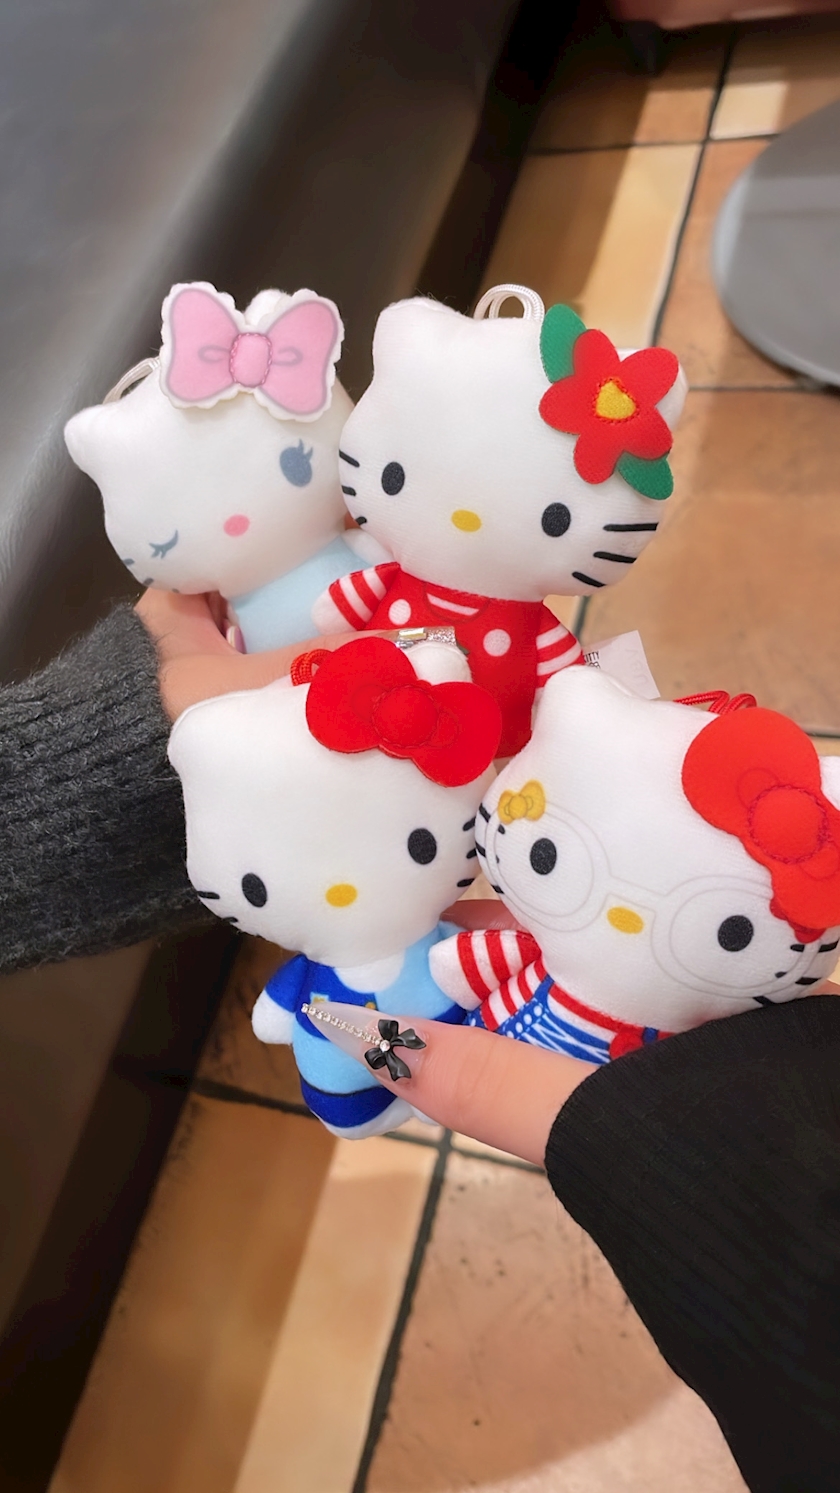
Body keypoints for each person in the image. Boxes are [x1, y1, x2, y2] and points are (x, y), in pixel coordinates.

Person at [3, 590, 839, 1492]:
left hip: (631, 1079)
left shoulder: (530, 958)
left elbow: (472, 963)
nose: (631, 917)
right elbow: (453, 967)